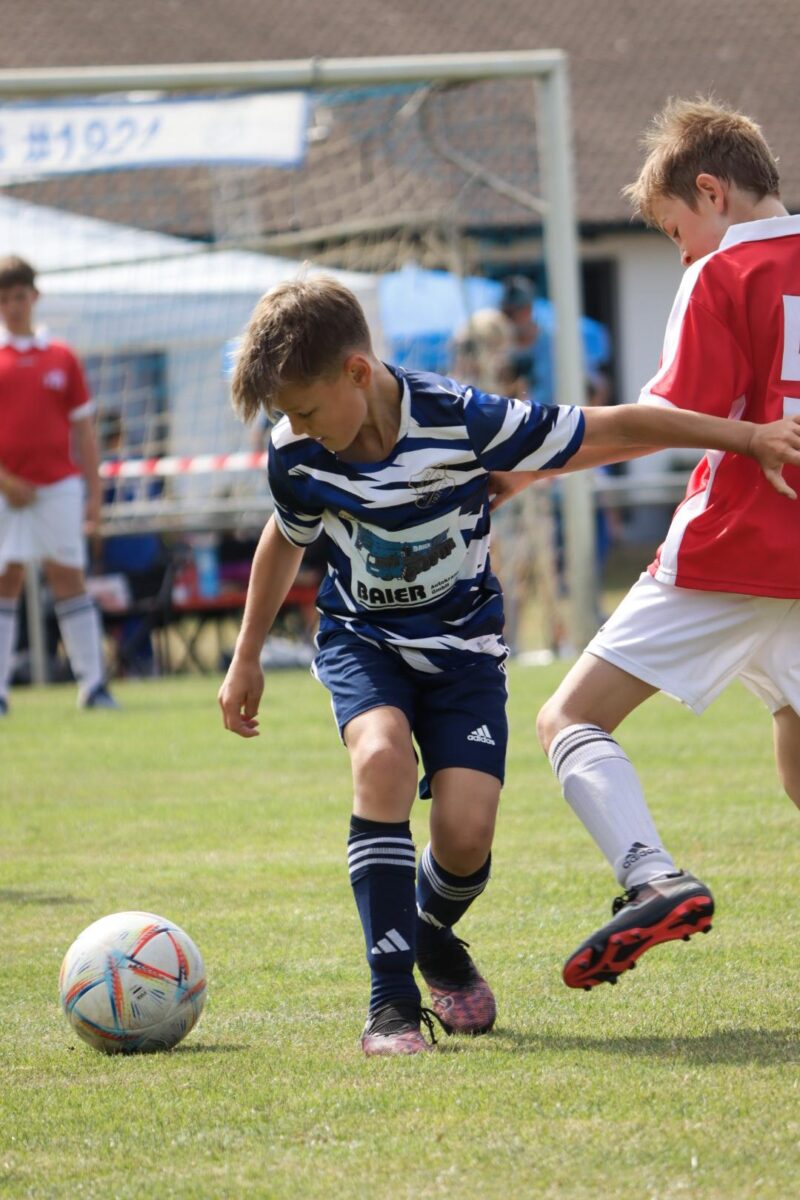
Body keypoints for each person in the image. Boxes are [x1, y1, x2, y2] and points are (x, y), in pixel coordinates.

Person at [217, 275, 800, 1056]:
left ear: (356, 372)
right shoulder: (297, 455)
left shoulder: (464, 419)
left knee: (465, 838)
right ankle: (391, 1009)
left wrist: (748, 438)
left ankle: (430, 933)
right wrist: (246, 654)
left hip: (464, 654)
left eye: (306, 410)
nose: (298, 428)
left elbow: (615, 425)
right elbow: (285, 537)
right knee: (381, 760)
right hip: (366, 643)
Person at [528, 97, 800, 991]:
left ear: (712, 193)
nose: (682, 254)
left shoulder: (724, 273)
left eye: (677, 231)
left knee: (570, 718)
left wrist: (528, 468)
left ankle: (653, 876)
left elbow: (659, 421)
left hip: (732, 549)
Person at [0, 256, 117, 712]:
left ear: (35, 296)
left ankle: (94, 686)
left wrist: (95, 497)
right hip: (6, 493)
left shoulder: (62, 356)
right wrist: (6, 481)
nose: (13, 306)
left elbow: (84, 432)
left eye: (19, 296)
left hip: (58, 488)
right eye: (4, 299)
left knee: (69, 577)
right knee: (5, 580)